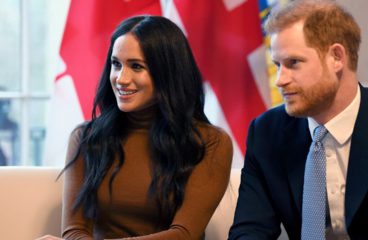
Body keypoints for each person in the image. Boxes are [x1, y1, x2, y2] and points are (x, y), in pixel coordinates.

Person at [38, 15, 233, 240]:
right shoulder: (86, 137)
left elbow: (183, 235)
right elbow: (74, 231)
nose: (121, 78)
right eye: (116, 64)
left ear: (168, 73)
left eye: (136, 66)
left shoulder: (210, 142)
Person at [228, 0, 368, 239]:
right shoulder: (266, 132)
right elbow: (250, 230)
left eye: (293, 63)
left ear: (336, 57)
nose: (280, 79)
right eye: (278, 65)